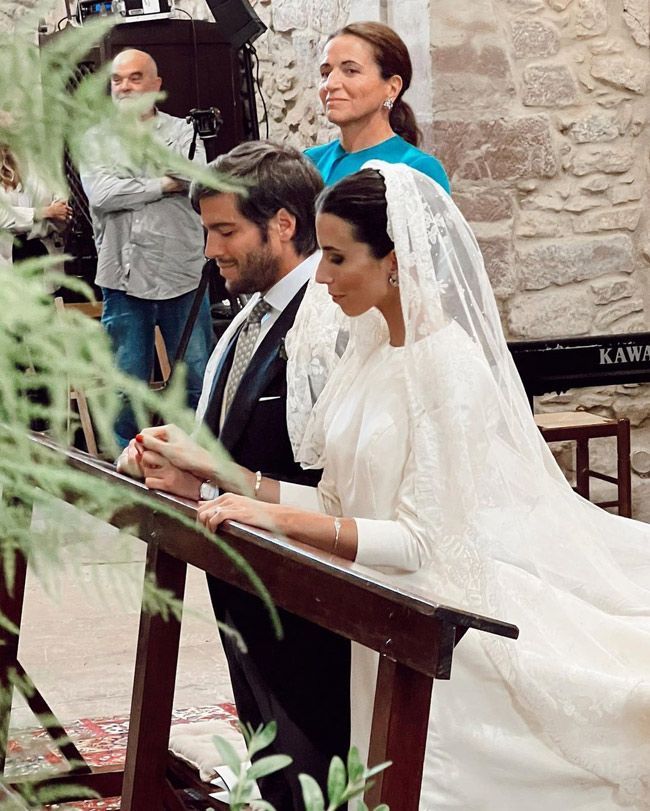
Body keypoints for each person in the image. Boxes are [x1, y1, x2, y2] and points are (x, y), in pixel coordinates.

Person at [139, 162, 650, 810]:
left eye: (336, 257)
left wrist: (278, 520)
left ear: (396, 261)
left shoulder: (448, 367)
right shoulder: (370, 351)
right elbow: (337, 502)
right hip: (377, 620)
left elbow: (420, 540)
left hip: (441, 636)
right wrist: (229, 479)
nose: (320, 277)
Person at [119, 141, 350, 810]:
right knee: (278, 762)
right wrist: (183, 471)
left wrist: (220, 477)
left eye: (224, 231)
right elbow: (234, 452)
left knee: (321, 768)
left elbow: (341, 483)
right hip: (247, 587)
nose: (211, 249)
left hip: (313, 604)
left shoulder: (328, 318)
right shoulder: (247, 316)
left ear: (281, 223)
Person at [79, 48, 213, 448]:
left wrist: (137, 182)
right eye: (118, 80)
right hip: (122, 278)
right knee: (125, 388)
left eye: (135, 78)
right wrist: (161, 182)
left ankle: (196, 461)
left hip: (183, 274)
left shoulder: (184, 132)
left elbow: (194, 179)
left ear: (156, 86)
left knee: (195, 379)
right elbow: (102, 195)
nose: (124, 87)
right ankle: (128, 468)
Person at [305, 21, 450, 191]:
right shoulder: (308, 163)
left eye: (350, 71)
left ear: (392, 87)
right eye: (325, 73)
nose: (330, 84)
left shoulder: (418, 170)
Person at [0, 143, 71, 265]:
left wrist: (19, 223)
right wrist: (43, 213)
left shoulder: (43, 164)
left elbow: (62, 214)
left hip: (45, 254)